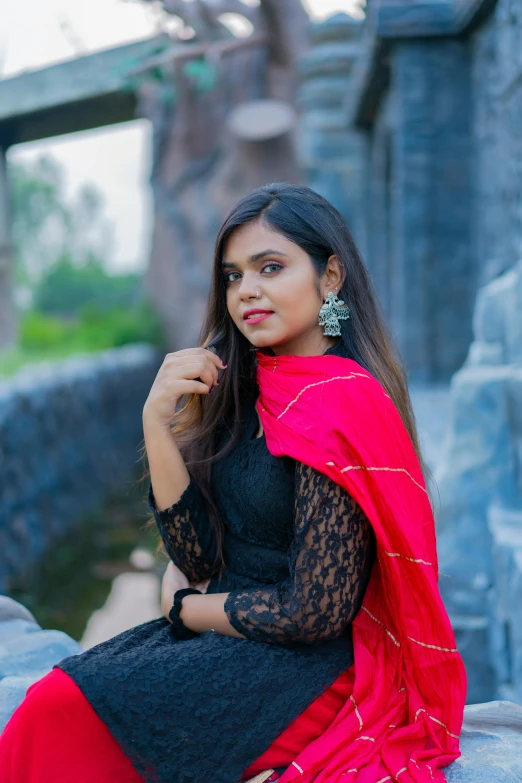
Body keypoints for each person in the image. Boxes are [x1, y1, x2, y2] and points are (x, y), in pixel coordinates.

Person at [0, 183, 466, 783]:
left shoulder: (341, 402)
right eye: (232, 276)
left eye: (270, 268)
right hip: (234, 636)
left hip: (311, 668)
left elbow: (314, 611)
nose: (247, 291)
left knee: (63, 711)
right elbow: (197, 553)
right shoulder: (249, 384)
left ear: (330, 278)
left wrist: (187, 609)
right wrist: (157, 429)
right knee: (59, 701)